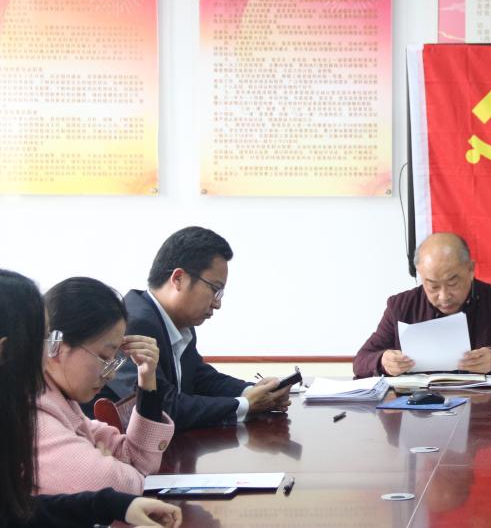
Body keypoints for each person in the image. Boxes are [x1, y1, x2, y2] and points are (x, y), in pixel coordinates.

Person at [0, 269, 181, 528]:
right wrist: (112, 480)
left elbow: (17, 513)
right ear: (5, 352)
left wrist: (112, 502)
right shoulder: (31, 413)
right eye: (44, 341)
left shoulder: (59, 403)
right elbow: (118, 482)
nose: (48, 353)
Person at [98, 226, 289, 430]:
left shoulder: (178, 323)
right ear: (178, 279)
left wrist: (252, 391)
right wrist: (245, 405)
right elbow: (162, 409)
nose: (217, 303)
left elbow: (199, 377)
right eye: (215, 289)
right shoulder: (132, 323)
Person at [37, 277, 174, 495]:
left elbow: (141, 462)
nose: (110, 374)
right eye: (103, 357)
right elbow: (116, 483)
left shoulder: (66, 406)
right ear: (57, 345)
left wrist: (147, 378)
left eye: (113, 360)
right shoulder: (34, 413)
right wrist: (118, 468)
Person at [354, 232, 491, 378]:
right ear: (420, 275)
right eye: (432, 286)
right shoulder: (401, 306)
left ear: (470, 269)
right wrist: (383, 361)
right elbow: (361, 361)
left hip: (485, 413)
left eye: (452, 283)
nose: (444, 296)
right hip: (419, 413)